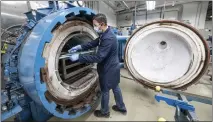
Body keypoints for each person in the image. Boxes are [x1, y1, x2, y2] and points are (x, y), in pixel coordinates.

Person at [68, 13, 127, 118]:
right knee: (115, 87)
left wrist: (79, 57)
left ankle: (104, 112)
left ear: (102, 24)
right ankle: (121, 107)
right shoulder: (105, 34)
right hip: (113, 67)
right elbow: (94, 43)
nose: (94, 27)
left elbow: (98, 57)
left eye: (95, 25)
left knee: (105, 91)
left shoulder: (108, 38)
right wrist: (80, 46)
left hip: (108, 69)